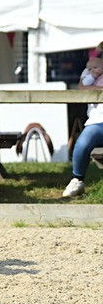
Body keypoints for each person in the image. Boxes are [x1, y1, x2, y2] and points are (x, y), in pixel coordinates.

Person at [62, 55, 103, 198]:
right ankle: (77, 179)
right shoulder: (91, 67)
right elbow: (82, 89)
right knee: (82, 143)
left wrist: (93, 89)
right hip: (97, 120)